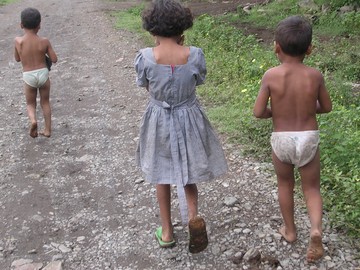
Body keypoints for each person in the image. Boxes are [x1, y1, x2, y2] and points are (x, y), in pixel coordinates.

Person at [134, 0, 227, 253]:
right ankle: (192, 220)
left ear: (152, 29)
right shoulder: (194, 54)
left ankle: (166, 232)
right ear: (182, 27)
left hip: (159, 120)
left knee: (161, 175)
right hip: (189, 118)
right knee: (187, 173)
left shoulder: (145, 57)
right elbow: (200, 80)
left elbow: (144, 84)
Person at [253, 15, 332, 262]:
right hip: (308, 137)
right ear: (310, 49)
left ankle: (290, 231)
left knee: (285, 184)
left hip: (282, 139)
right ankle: (316, 230)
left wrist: (277, 111)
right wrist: (307, 110)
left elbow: (257, 112)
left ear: (276, 46)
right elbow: (326, 107)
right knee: (311, 187)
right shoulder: (315, 75)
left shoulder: (271, 75)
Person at [14, 7, 58, 138]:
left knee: (30, 103)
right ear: (39, 25)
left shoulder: (18, 41)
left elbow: (17, 59)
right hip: (43, 74)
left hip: (29, 76)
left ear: (21, 25)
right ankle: (47, 130)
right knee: (45, 102)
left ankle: (33, 120)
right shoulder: (44, 41)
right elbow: (54, 59)